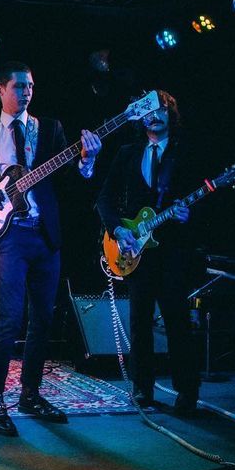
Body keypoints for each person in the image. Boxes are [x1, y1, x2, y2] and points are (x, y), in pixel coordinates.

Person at [0, 61, 102, 436]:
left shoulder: (50, 128)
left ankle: (30, 393)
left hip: (44, 233)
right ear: (0, 89)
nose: (26, 92)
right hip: (8, 235)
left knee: (43, 318)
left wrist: (87, 160)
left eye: (30, 87)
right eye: (19, 86)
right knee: (11, 318)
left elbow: (72, 181)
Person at [95, 89, 200, 415]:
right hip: (135, 250)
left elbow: (201, 199)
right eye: (149, 111)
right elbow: (104, 199)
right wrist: (118, 230)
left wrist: (189, 214)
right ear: (141, 117)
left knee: (177, 321)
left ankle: (187, 392)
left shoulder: (185, 153)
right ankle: (142, 389)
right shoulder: (127, 153)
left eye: (161, 110)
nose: (154, 116)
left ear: (171, 115)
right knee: (139, 322)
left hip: (173, 251)